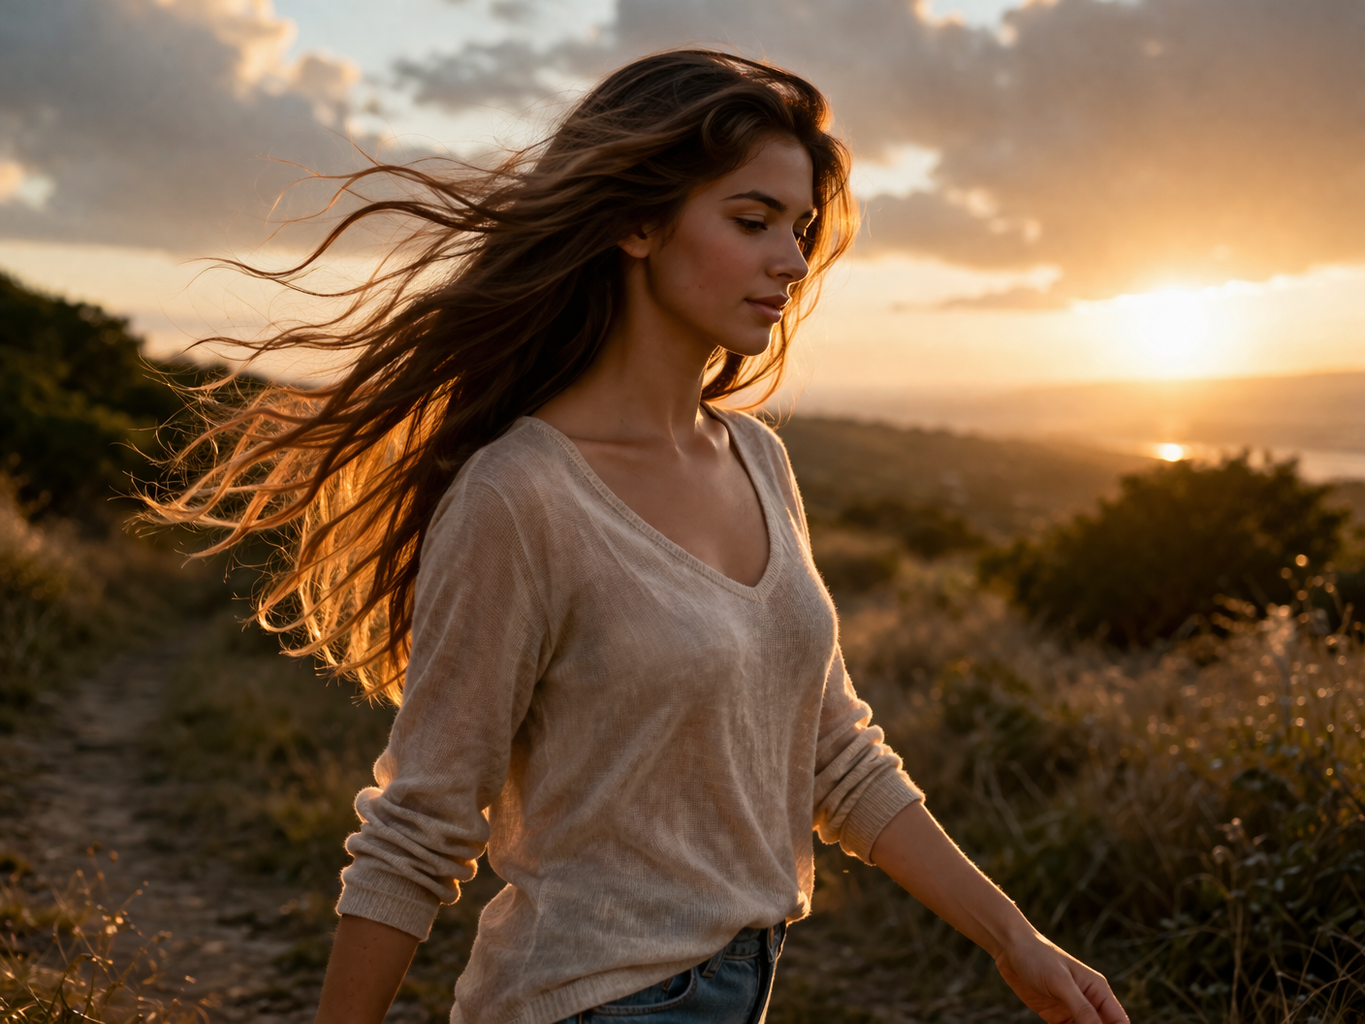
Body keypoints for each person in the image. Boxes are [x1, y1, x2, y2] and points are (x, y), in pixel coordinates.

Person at [154, 49, 1128, 1024]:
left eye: (797, 228)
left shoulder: (758, 462)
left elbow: (831, 751)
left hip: (740, 983)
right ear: (634, 221)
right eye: (751, 222)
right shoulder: (520, 494)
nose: (790, 261)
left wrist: (1016, 939)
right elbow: (420, 825)